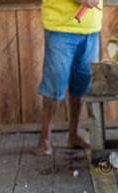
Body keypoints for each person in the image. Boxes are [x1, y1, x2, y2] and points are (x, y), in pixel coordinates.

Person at [33, 0, 103, 155]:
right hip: (60, 26)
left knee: (82, 83)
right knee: (54, 82)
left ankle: (74, 134)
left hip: (90, 28)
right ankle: (44, 139)